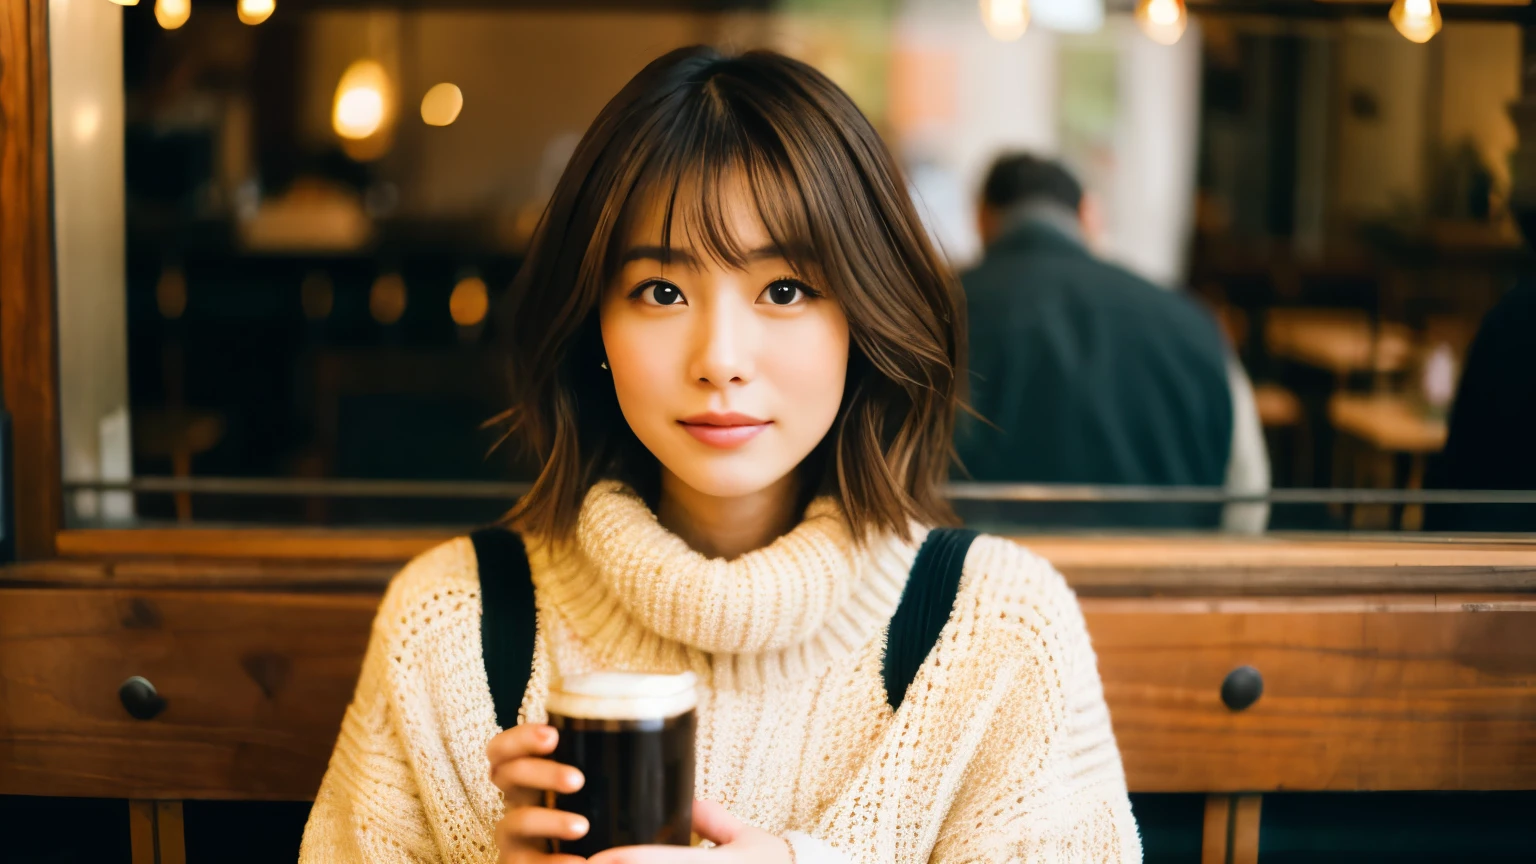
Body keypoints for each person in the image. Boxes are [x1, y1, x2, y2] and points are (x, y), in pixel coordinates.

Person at [300, 48, 1140, 864]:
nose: (720, 358)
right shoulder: (453, 624)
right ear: (593, 323)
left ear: (866, 316)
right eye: (661, 292)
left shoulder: (994, 629)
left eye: (784, 290)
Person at [956, 154, 1268, 532]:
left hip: (979, 584)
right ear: (1087, 216)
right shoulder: (1192, 322)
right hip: (1160, 581)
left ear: (981, 218)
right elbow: (1247, 502)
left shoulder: (930, 314)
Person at [1424, 278, 1536, 532]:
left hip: (1492, 516)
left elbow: (1464, 442)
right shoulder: (1515, 315)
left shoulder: (1513, 315)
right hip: (1497, 517)